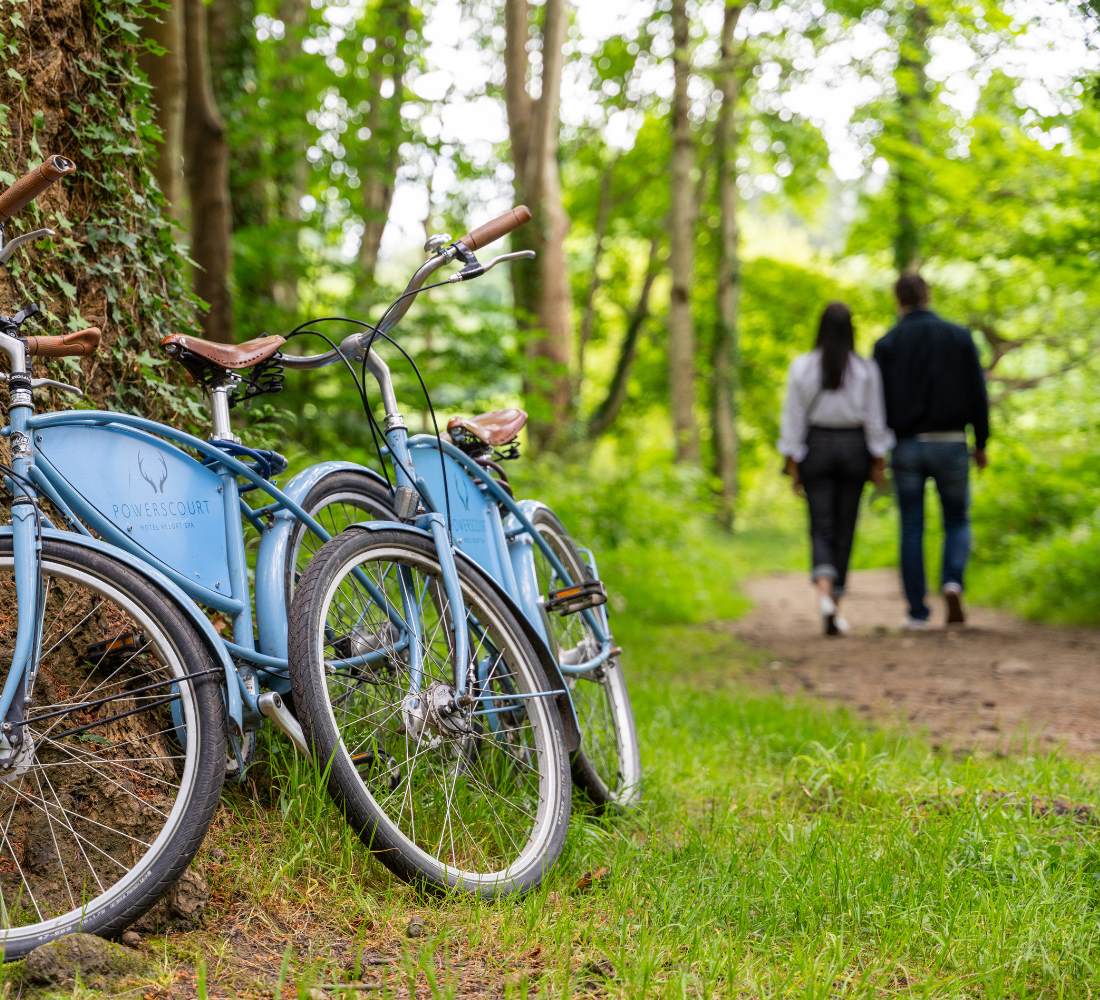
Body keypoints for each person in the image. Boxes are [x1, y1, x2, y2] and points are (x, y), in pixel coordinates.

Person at [873, 272, 989, 629]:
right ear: (928, 295)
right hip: (952, 442)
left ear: (898, 300)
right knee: (957, 519)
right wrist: (981, 442)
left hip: (906, 445)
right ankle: (952, 581)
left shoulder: (887, 345)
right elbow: (977, 393)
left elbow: (874, 404)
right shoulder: (959, 337)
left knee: (912, 526)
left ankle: (917, 612)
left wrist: (877, 450)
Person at [779, 302, 892, 636]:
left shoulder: (802, 367)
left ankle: (825, 591)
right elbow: (875, 418)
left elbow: (793, 418)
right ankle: (836, 600)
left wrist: (793, 460)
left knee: (821, 524)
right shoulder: (865, 369)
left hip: (816, 448)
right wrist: (878, 460)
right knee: (846, 525)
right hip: (855, 448)